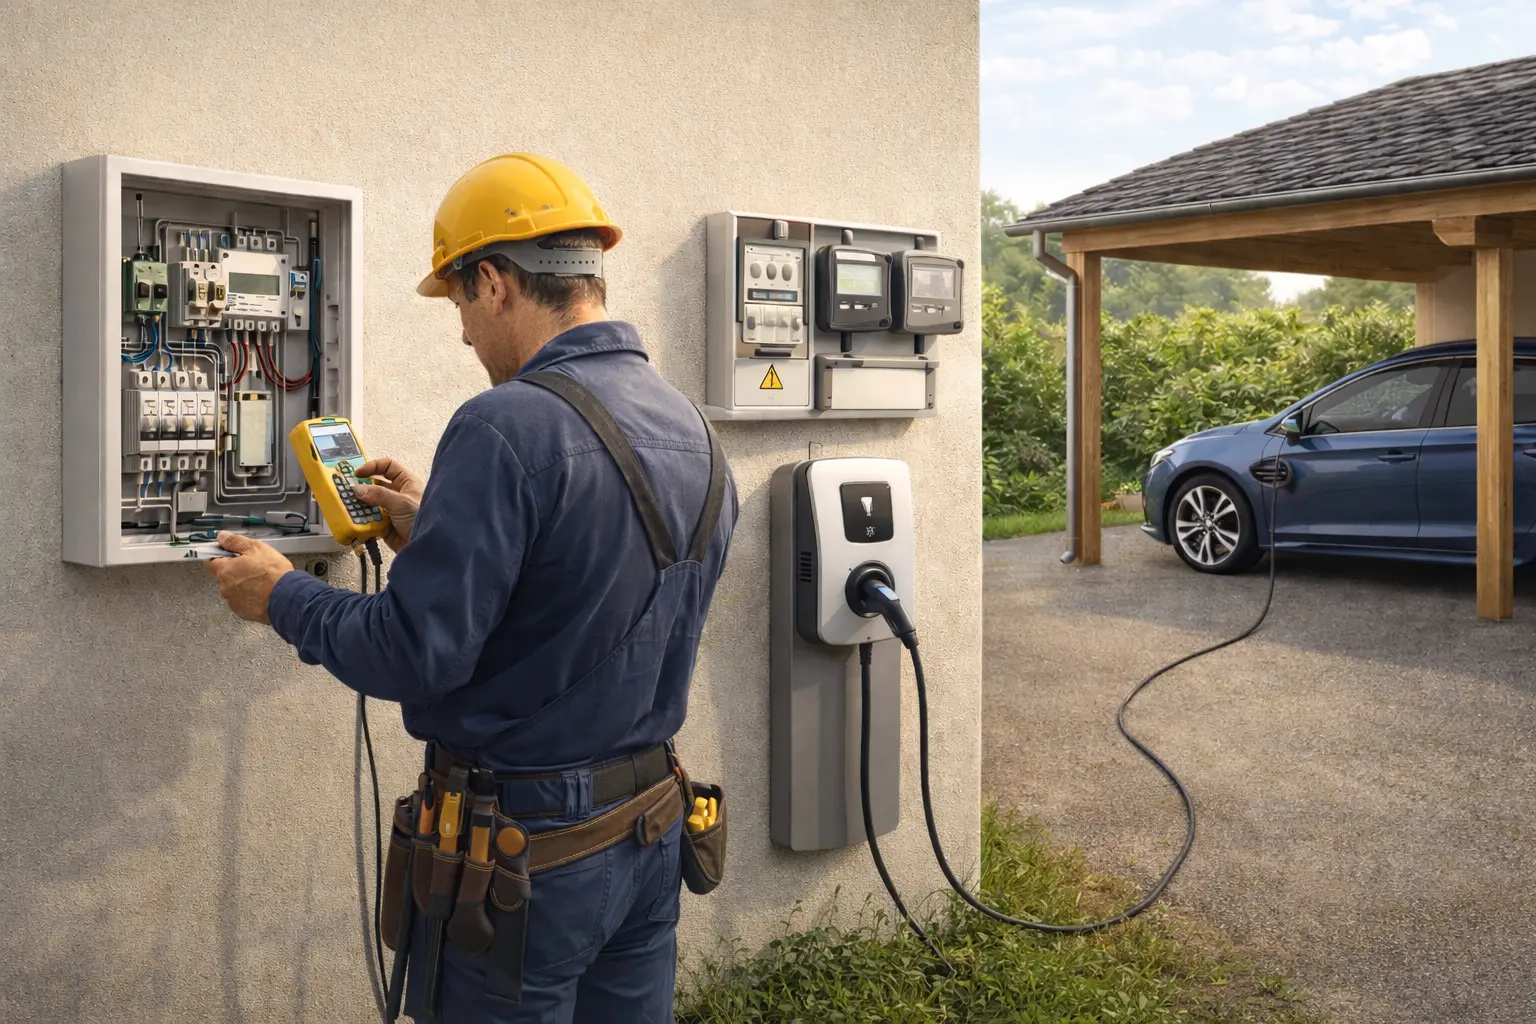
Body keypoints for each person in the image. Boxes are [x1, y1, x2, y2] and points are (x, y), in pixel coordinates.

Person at [207, 152, 737, 1022]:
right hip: (648, 833)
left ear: (493, 282)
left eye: (457, 302)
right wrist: (440, 530)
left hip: (526, 862)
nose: (462, 333)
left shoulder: (505, 424)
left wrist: (281, 597)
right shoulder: (691, 428)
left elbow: (414, 654)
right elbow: (591, 590)